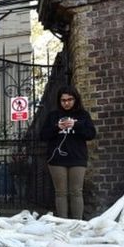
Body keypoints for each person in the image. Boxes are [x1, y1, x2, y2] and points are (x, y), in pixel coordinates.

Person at [39, 86, 97, 219]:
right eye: (63, 100)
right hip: (57, 159)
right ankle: (63, 224)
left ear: (75, 99)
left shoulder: (83, 115)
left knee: (76, 191)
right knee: (60, 192)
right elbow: (42, 135)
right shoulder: (53, 116)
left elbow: (91, 134)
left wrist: (75, 125)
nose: (66, 103)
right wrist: (56, 127)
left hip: (77, 158)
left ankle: (77, 223)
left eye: (69, 99)